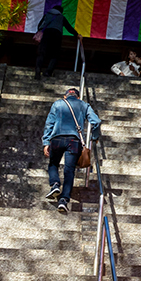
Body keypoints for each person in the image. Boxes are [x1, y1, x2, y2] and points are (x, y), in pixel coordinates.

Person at [42, 86, 101, 214]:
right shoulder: (84, 105)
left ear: (65, 96)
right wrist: (94, 137)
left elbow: (49, 123)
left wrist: (46, 142)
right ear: (78, 97)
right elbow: (96, 121)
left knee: (53, 164)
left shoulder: (57, 104)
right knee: (69, 171)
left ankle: (55, 184)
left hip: (57, 138)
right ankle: (63, 200)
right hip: (74, 141)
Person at [34, 0, 77, 79]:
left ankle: (38, 70)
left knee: (41, 53)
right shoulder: (61, 17)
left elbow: (40, 25)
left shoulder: (47, 15)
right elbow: (69, 28)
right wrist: (77, 34)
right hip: (56, 35)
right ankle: (48, 71)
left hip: (46, 34)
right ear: (61, 11)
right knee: (55, 55)